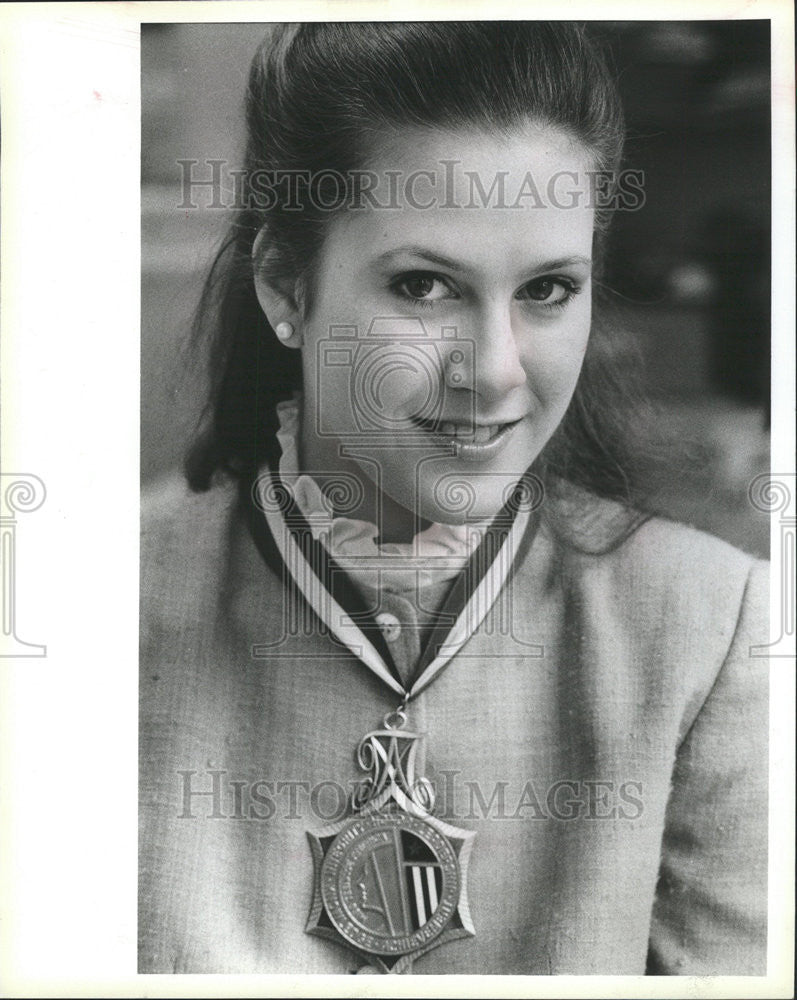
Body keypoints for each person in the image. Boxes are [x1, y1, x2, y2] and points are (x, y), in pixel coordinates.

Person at [139, 22, 769, 976]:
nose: (494, 370)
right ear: (285, 285)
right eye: (424, 285)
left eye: (548, 289)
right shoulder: (97, 604)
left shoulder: (711, 626)